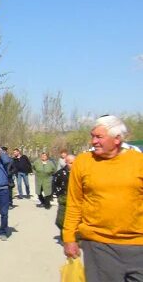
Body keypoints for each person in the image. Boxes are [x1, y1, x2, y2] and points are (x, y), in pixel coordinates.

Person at [63, 115, 143, 281]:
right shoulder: (83, 162)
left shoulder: (138, 161)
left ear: (117, 139)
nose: (93, 141)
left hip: (138, 245)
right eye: (92, 136)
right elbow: (74, 203)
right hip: (98, 245)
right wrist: (69, 237)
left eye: (99, 137)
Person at [52, 153, 75, 239]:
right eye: (70, 163)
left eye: (74, 163)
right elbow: (54, 184)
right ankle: (64, 232)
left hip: (75, 199)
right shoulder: (60, 173)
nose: (72, 165)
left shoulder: (79, 173)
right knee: (60, 221)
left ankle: (74, 236)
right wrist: (58, 194)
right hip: (63, 198)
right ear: (66, 162)